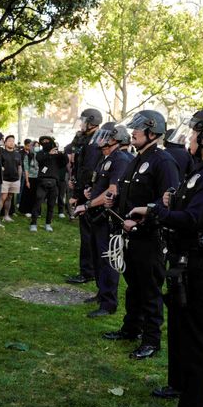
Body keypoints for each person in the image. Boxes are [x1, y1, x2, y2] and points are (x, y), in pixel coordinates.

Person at [130, 108, 203, 407]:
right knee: (180, 328)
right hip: (185, 263)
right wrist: (168, 201)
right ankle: (178, 384)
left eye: (195, 133)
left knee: (197, 335)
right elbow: (188, 205)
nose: (190, 138)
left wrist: (153, 212)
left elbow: (193, 220)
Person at [102, 110, 179, 360]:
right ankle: (131, 328)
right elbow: (129, 193)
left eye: (138, 128)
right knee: (133, 286)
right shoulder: (136, 158)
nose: (133, 132)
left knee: (150, 290)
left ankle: (151, 340)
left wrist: (140, 222)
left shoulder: (163, 161)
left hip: (150, 238)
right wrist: (114, 203)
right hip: (130, 236)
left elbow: (167, 200)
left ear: (153, 133)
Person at [73, 124, 131, 317]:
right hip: (97, 217)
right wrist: (89, 192)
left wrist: (87, 205)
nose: (102, 140)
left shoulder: (120, 159)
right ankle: (101, 292)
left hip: (107, 218)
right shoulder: (105, 158)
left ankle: (108, 304)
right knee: (98, 257)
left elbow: (112, 191)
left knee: (107, 260)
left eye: (106, 137)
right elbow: (100, 184)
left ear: (117, 139)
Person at [67, 108, 103, 284]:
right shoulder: (89, 140)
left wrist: (77, 194)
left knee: (87, 235)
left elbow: (88, 171)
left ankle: (87, 271)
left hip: (87, 194)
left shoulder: (93, 143)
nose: (81, 124)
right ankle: (91, 270)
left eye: (83, 121)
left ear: (91, 122)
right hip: (86, 190)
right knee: (89, 234)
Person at [30, 135, 66, 232]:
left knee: (51, 205)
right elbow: (39, 159)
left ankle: (48, 224)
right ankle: (33, 223)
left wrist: (62, 153)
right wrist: (49, 154)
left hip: (54, 182)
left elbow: (64, 163)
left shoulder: (57, 153)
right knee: (37, 203)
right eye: (43, 141)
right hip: (42, 181)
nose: (45, 142)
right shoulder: (41, 153)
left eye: (47, 141)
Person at [0, 135, 23, 222]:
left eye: (13, 141)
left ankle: (6, 215)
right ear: (5, 142)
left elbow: (19, 167)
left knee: (10, 197)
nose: (11, 142)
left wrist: (19, 179)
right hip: (4, 179)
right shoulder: (2, 153)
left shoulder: (17, 154)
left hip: (15, 180)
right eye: (9, 140)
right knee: (2, 197)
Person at [19, 140, 39, 215]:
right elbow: (26, 169)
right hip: (30, 177)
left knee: (36, 195)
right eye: (35, 146)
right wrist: (27, 181)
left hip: (38, 177)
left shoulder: (40, 156)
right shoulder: (28, 156)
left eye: (38, 146)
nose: (36, 147)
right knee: (28, 194)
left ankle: (36, 210)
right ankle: (27, 210)